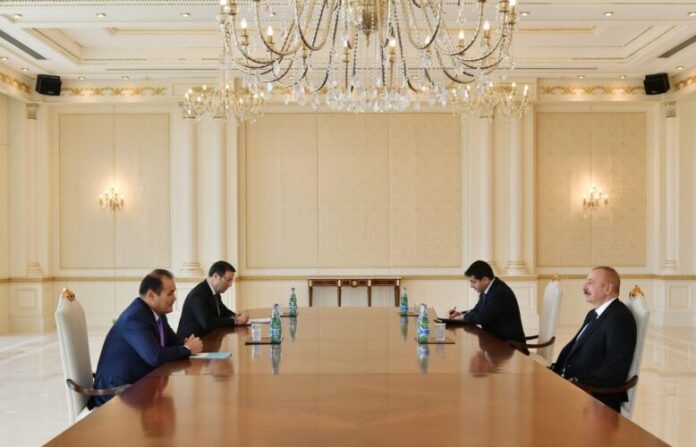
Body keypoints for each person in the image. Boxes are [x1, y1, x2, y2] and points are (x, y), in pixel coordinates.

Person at [89, 269, 203, 409]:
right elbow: (154, 356)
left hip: (137, 388)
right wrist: (187, 348)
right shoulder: (135, 318)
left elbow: (173, 341)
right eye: (170, 293)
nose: (175, 298)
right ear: (151, 296)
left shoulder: (157, 314)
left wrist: (186, 344)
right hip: (116, 395)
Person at [551, 266, 637, 412]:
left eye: (590, 282)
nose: (584, 287)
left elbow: (615, 369)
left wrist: (577, 382)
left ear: (608, 288)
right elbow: (573, 348)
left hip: (593, 398)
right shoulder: (593, 314)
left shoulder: (620, 318)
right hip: (572, 387)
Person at [449, 260, 526, 345]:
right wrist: (460, 314)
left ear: (485, 280)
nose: (471, 286)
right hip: (496, 341)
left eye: (473, 282)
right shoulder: (488, 289)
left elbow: (481, 318)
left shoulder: (499, 292)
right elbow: (476, 310)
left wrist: (463, 316)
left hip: (510, 345)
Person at [177, 260, 249, 338]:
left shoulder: (214, 291)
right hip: (190, 342)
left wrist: (237, 316)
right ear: (215, 276)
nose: (230, 284)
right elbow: (207, 323)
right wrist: (235, 321)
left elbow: (224, 311)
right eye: (228, 280)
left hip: (207, 338)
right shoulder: (198, 294)